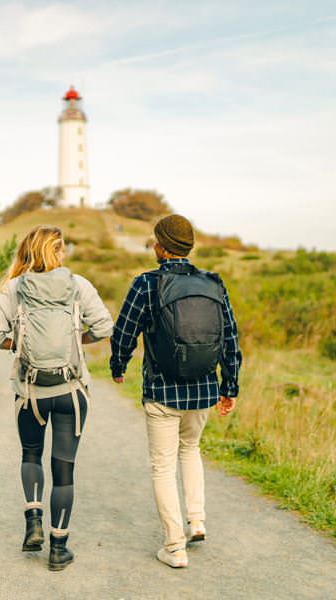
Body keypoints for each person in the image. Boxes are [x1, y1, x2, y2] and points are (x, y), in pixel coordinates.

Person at [109, 214, 242, 569]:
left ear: (162, 246)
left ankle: (174, 546)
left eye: (156, 240)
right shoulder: (213, 282)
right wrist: (230, 386)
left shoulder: (147, 284)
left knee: (163, 466)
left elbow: (124, 331)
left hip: (163, 390)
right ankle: (196, 521)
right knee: (191, 450)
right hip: (203, 389)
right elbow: (229, 337)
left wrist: (118, 366)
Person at [0, 225, 113, 571]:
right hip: (70, 390)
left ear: (27, 251)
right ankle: (58, 548)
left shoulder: (13, 289)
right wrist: (75, 342)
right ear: (58, 251)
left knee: (31, 454)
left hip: (30, 393)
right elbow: (104, 327)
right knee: (64, 470)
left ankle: (33, 522)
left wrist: (19, 346)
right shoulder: (78, 285)